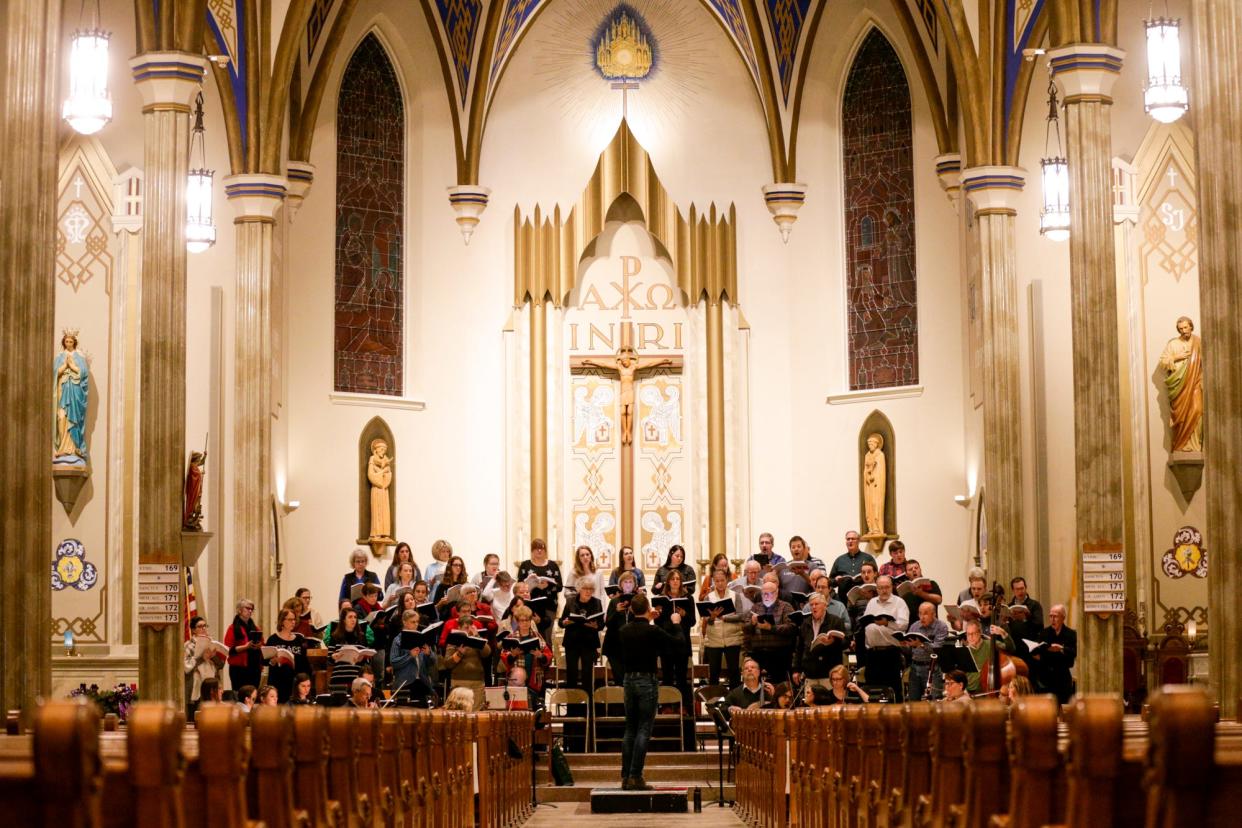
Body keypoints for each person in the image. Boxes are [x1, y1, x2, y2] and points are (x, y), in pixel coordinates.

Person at [617, 593, 685, 791]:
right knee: (644, 729)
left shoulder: (624, 631)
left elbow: (635, 629)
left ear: (631, 610)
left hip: (628, 680)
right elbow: (678, 643)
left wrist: (647, 618)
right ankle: (635, 776)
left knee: (630, 728)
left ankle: (625, 776)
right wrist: (676, 622)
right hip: (647, 680)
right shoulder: (653, 630)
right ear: (648, 609)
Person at [736, 580, 798, 684]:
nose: (766, 596)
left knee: (778, 685)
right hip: (758, 652)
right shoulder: (756, 607)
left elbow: (791, 628)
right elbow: (745, 629)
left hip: (779, 653)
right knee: (755, 684)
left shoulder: (785, 606)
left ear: (776, 593)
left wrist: (771, 628)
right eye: (763, 593)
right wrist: (752, 623)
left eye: (769, 593)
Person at [1159, 315, 1203, 452]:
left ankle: (1195, 445)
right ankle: (1182, 444)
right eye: (1180, 329)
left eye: (1185, 327)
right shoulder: (1173, 344)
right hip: (1179, 388)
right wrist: (1176, 357)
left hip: (1195, 382)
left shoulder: (1199, 342)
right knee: (1181, 415)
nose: (1183, 331)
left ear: (1191, 326)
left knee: (1198, 410)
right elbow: (1163, 362)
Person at [654, 569, 696, 707]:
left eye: (678, 579)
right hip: (666, 643)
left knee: (681, 677)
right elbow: (656, 623)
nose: (675, 581)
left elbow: (692, 621)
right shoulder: (661, 598)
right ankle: (667, 706)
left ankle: (681, 706)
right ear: (668, 581)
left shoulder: (688, 598)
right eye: (672, 579)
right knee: (667, 677)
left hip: (682, 642)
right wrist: (658, 613)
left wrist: (684, 614)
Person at [438, 605, 492, 710]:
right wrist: (459, 653)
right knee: (459, 714)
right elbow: (448, 664)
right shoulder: (454, 641)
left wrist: (476, 636)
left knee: (476, 715)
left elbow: (487, 653)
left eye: (471, 627)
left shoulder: (477, 639)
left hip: (477, 683)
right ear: (459, 628)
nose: (469, 631)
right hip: (459, 682)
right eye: (466, 628)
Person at [499, 606, 553, 710]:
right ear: (518, 622)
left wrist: (540, 655)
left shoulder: (537, 636)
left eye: (528, 620)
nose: (525, 623)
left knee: (533, 707)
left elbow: (548, 654)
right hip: (517, 678)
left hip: (534, 678)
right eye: (522, 620)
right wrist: (513, 655)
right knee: (517, 708)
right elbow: (504, 656)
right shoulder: (511, 637)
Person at [559, 575, 604, 693]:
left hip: (589, 643)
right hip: (572, 642)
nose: (588, 592)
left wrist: (596, 626)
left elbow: (601, 624)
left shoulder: (597, 603)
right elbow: (560, 622)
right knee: (572, 674)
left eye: (591, 589)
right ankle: (572, 708)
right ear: (579, 589)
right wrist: (565, 622)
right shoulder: (570, 602)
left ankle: (588, 708)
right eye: (585, 589)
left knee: (587, 675)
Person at [792, 593, 847, 689]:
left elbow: (846, 642)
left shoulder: (836, 621)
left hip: (829, 673)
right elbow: (799, 648)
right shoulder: (805, 623)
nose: (813, 607)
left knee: (829, 703)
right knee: (810, 703)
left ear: (825, 605)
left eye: (816, 604)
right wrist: (796, 670)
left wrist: (833, 642)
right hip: (810, 673)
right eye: (811, 604)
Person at [701, 568, 744, 688]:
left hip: (732, 639)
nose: (720, 583)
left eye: (722, 580)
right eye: (717, 581)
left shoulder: (735, 596)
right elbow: (707, 620)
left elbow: (741, 616)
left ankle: (734, 703)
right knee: (714, 673)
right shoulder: (708, 597)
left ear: (727, 580)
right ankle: (713, 703)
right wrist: (712, 617)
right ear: (713, 582)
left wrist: (725, 618)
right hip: (714, 640)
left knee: (734, 672)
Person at [517, 538, 563, 642]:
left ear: (545, 550)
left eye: (542, 548)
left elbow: (560, 586)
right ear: (532, 551)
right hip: (530, 606)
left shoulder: (552, 565)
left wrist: (548, 586)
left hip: (549, 605)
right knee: (530, 635)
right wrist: (534, 586)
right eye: (536, 548)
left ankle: (546, 656)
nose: (539, 551)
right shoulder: (525, 565)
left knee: (547, 637)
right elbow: (520, 585)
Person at [1031, 604, 1076, 703]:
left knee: (1063, 709)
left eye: (1055, 616)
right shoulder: (1044, 633)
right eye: (1050, 616)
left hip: (1063, 677)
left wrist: (1062, 649)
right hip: (1046, 678)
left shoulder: (1071, 634)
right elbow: (1036, 652)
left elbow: (1073, 653)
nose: (1052, 619)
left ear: (1063, 617)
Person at [265, 607, 312, 702]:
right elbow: (264, 660)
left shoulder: (298, 640)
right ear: (282, 621)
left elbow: (304, 663)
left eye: (294, 619)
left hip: (294, 683)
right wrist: (272, 661)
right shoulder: (273, 639)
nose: (293, 622)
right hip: (277, 681)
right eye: (290, 619)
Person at [906, 601, 950, 701]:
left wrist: (921, 645)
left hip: (932, 667)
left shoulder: (941, 627)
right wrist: (905, 644)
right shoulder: (914, 626)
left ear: (934, 614)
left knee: (934, 700)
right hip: (915, 666)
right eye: (920, 613)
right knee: (913, 701)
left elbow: (937, 648)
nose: (922, 617)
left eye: (925, 613)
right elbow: (910, 647)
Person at [389, 610, 436, 701]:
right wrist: (410, 655)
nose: (416, 624)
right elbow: (394, 662)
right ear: (404, 622)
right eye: (413, 622)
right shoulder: (398, 640)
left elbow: (432, 662)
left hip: (423, 682)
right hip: (406, 682)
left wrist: (429, 654)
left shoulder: (422, 637)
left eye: (417, 621)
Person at [327, 605, 375, 694]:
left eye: (355, 617)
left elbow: (366, 661)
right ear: (344, 620)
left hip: (357, 679)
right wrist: (334, 657)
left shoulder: (362, 637)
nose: (353, 619)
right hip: (339, 678)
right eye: (350, 617)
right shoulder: (335, 636)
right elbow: (329, 660)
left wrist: (362, 658)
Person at [602, 570, 639, 683]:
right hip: (615, 646)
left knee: (632, 679)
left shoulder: (639, 600)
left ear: (634, 585)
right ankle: (619, 700)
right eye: (625, 582)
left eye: (630, 582)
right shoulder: (614, 601)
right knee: (619, 679)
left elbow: (644, 622)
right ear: (620, 585)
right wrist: (617, 611)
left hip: (633, 645)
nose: (628, 584)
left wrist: (635, 612)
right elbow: (608, 623)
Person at [184, 616, 226, 713]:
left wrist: (213, 656)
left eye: (205, 626)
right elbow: (186, 668)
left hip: (212, 685)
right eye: (200, 626)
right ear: (193, 630)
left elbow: (220, 665)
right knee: (196, 715)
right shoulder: (188, 645)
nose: (203, 628)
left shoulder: (212, 643)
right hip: (196, 686)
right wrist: (202, 658)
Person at [963, 619, 1014, 695]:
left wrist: (1003, 633)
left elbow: (1011, 649)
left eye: (973, 633)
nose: (971, 637)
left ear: (980, 633)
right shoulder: (964, 651)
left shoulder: (991, 644)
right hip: (969, 692)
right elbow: (961, 675)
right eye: (968, 634)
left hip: (988, 690)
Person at [224, 598, 263, 691]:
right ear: (239, 610)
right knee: (239, 695)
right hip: (239, 669)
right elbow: (228, 649)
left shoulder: (256, 628)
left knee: (253, 694)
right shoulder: (232, 628)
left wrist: (259, 646)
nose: (250, 611)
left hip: (254, 667)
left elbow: (263, 645)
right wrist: (246, 647)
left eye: (252, 609)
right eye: (247, 608)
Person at [828, 530, 878, 603]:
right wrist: (836, 580)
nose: (850, 541)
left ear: (858, 541)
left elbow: (876, 577)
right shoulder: (839, 560)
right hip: (844, 599)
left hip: (864, 598)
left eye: (853, 539)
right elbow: (830, 581)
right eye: (848, 539)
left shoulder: (868, 558)